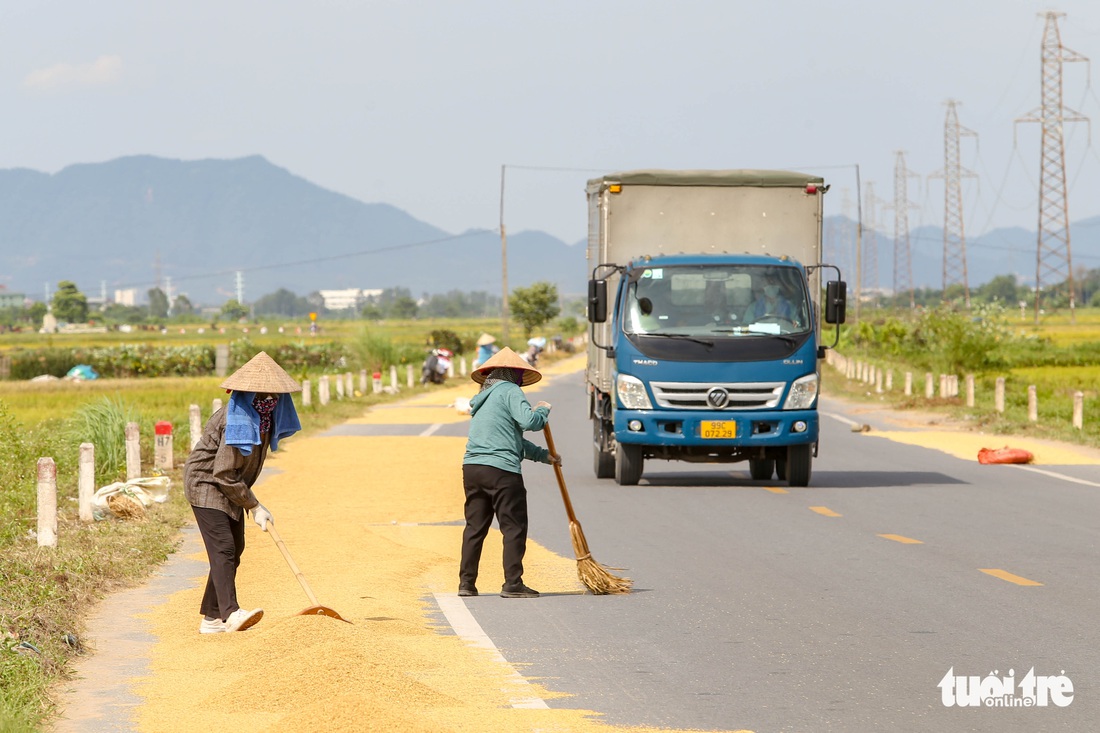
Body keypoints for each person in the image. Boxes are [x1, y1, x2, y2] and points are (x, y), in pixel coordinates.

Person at [183, 351, 302, 634]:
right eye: (262, 395)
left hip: (230, 485)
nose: (270, 401)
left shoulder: (264, 419)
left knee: (235, 550)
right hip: (206, 484)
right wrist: (254, 505)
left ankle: (212, 617)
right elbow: (222, 472)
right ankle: (230, 614)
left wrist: (249, 502)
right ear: (249, 394)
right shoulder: (236, 419)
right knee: (223, 548)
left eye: (275, 395)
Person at [459, 347, 561, 598]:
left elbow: (512, 439)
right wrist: (543, 410)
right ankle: (512, 583)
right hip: (502, 471)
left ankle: (466, 584)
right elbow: (530, 423)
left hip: (473, 469)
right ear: (514, 374)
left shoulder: (482, 399)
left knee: (475, 528)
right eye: (518, 375)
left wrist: (543, 456)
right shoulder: (511, 391)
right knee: (514, 526)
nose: (519, 381)